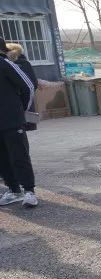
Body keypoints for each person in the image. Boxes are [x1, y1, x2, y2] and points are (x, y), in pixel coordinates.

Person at [0, 37, 39, 209]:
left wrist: (21, 109)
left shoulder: (5, 64)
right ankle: (14, 190)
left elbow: (29, 86)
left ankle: (29, 191)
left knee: (19, 155)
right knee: (2, 158)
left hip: (11, 120)